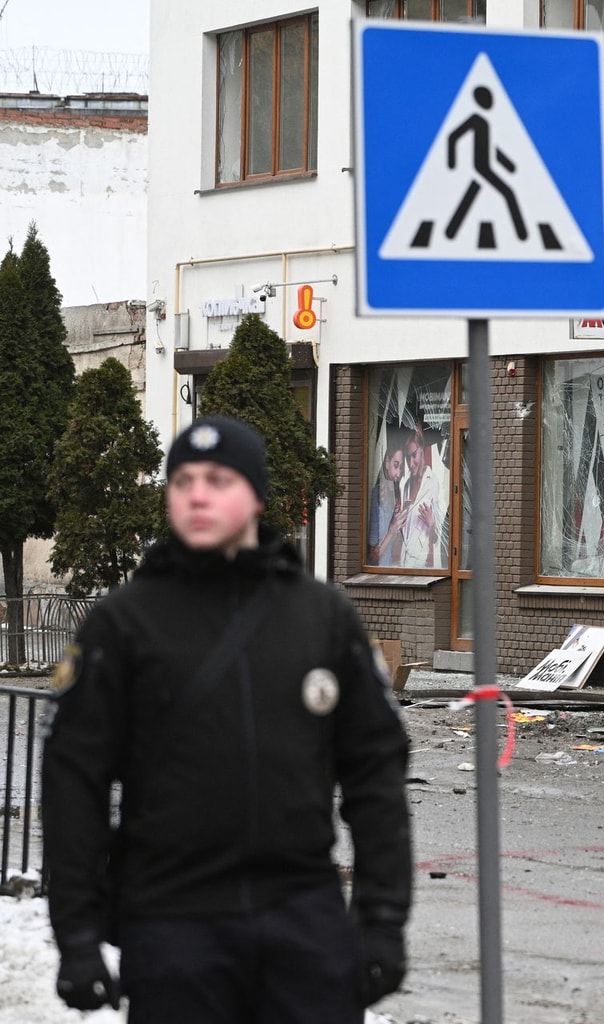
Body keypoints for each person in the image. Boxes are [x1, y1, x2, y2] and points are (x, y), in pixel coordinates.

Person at [42, 415, 413, 1023]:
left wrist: (381, 920)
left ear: (258, 496)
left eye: (218, 478)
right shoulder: (124, 624)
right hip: (173, 926)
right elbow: (73, 780)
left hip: (302, 920)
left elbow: (376, 777)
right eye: (182, 480)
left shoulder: (322, 618)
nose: (197, 494)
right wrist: (77, 936)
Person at [397, 426, 445, 570]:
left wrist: (431, 524)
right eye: (407, 457)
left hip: (420, 564)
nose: (410, 463)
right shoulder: (405, 485)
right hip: (402, 560)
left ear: (422, 449)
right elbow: (403, 531)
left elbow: (438, 538)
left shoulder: (432, 483)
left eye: (414, 455)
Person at [368, 429, 408, 566]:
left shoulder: (395, 495)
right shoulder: (375, 496)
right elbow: (372, 556)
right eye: (396, 465)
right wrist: (392, 529)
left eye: (401, 467)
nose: (399, 473)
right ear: (386, 462)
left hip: (391, 569)